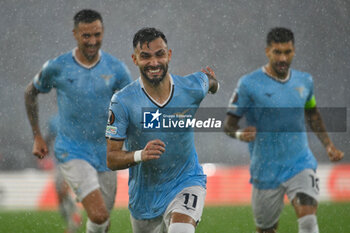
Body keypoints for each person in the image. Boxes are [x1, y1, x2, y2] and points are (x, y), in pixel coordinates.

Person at [224, 27, 344, 233]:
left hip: (299, 163)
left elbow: (312, 113)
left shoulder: (304, 81)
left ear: (294, 51)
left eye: (287, 52)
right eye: (277, 52)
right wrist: (239, 134)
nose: (282, 58)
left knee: (308, 219)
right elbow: (228, 125)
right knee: (266, 229)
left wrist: (329, 145)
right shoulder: (248, 84)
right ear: (267, 51)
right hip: (265, 168)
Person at [24, 9, 132, 233]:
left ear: (103, 32)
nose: (93, 41)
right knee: (99, 214)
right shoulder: (57, 67)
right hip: (72, 150)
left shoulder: (116, 69)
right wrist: (37, 136)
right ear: (75, 34)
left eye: (97, 35)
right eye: (86, 36)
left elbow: (133, 104)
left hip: (107, 153)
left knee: (102, 220)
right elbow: (30, 93)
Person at [105, 27, 219, 233]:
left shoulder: (191, 87)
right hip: (144, 199)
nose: (154, 63)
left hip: (186, 180)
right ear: (135, 59)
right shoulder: (122, 101)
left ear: (169, 55)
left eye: (160, 54)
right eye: (146, 56)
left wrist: (215, 85)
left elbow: (209, 81)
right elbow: (111, 159)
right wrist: (141, 154)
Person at [43, 115, 82, 233]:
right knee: (60, 196)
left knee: (64, 190)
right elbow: (48, 139)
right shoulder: (54, 121)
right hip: (59, 162)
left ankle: (72, 225)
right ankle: (74, 215)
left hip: (74, 160)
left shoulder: (76, 118)